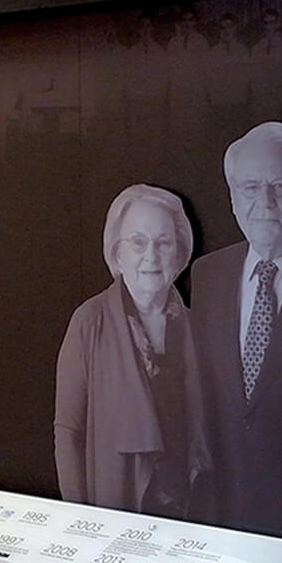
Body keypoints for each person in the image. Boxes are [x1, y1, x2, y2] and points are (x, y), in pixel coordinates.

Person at [190, 121, 282, 540]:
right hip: (219, 515)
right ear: (233, 198)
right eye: (250, 188)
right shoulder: (207, 275)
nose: (264, 202)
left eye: (280, 186)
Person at [54, 184, 213, 519]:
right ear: (118, 252)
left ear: (179, 251)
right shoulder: (88, 322)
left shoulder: (194, 325)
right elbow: (68, 432)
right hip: (117, 500)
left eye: (163, 242)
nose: (151, 256)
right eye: (138, 242)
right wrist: (78, 519)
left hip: (187, 506)